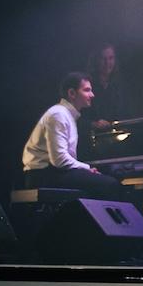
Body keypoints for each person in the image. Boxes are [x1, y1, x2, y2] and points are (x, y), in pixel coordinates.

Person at [22, 71, 123, 199]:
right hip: (43, 175)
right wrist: (86, 168)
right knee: (110, 185)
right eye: (87, 90)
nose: (92, 95)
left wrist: (85, 169)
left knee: (109, 180)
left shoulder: (66, 115)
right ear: (72, 93)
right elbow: (59, 159)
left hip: (53, 172)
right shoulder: (58, 115)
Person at [85, 43, 131, 129]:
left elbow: (126, 114)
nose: (107, 63)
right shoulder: (86, 85)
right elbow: (77, 118)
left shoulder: (119, 85)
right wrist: (93, 124)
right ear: (95, 60)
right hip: (93, 137)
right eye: (103, 59)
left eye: (111, 58)